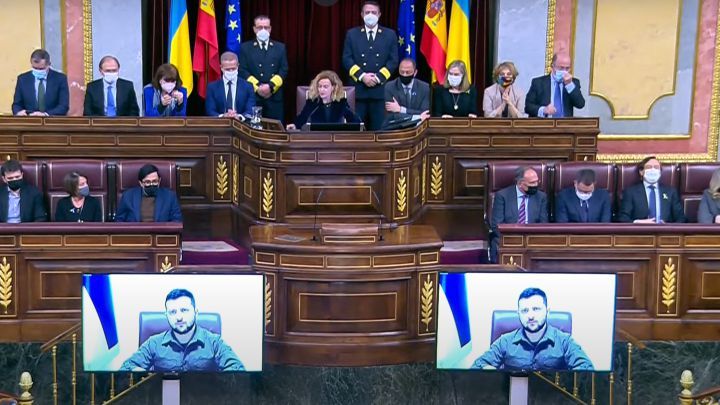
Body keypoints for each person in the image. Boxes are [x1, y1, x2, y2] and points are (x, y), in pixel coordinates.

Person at [120, 289, 244, 372]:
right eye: (173, 312)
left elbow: (238, 369)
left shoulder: (214, 342)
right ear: (166, 315)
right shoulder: (154, 343)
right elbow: (126, 368)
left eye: (184, 310)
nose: (179, 317)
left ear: (196, 312)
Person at [471, 288, 593, 371]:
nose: (530, 316)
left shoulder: (564, 341)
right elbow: (477, 367)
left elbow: (587, 369)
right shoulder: (505, 341)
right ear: (518, 313)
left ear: (547, 311)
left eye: (536, 309)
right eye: (525, 311)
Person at [342, 1, 399, 131]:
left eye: (374, 12)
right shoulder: (352, 34)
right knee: (355, 131)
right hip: (358, 91)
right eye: (367, 12)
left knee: (379, 132)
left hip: (380, 92)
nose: (370, 15)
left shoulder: (390, 34)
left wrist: (378, 78)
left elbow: (393, 60)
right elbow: (346, 59)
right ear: (362, 15)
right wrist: (362, 76)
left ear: (379, 14)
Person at [489, 166, 548, 263]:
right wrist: (515, 239)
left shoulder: (541, 197)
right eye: (532, 183)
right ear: (520, 183)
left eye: (537, 181)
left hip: (532, 239)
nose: (536, 185)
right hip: (508, 238)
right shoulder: (502, 196)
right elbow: (496, 225)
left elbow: (543, 224)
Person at [239, 15, 289, 122]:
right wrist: (258, 87)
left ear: (270, 29)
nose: (263, 30)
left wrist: (270, 86)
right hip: (254, 97)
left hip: (274, 97)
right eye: (259, 27)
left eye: (266, 27)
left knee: (274, 129)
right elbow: (242, 70)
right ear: (254, 29)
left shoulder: (280, 47)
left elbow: (284, 69)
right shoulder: (245, 48)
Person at [618, 156, 686, 223]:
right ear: (641, 172)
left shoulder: (671, 192)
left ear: (660, 172)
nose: (653, 170)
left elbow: (681, 218)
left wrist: (668, 227)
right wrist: (639, 222)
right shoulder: (630, 192)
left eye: (656, 167)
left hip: (665, 229)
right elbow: (622, 217)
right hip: (640, 229)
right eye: (649, 167)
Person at [287, 71, 360, 130]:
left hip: (335, 139)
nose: (322, 89)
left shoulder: (340, 103)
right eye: (320, 86)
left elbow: (356, 122)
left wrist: (358, 125)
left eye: (325, 87)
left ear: (333, 87)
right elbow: (303, 117)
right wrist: (295, 125)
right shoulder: (313, 102)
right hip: (317, 138)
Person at [115, 164, 182, 222]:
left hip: (161, 232)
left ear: (159, 181)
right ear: (141, 183)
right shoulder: (128, 196)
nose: (151, 184)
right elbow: (119, 220)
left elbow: (177, 221)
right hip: (135, 232)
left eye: (155, 181)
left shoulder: (170, 196)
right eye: (147, 182)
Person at [525, 53, 585, 118]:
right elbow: (528, 107)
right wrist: (544, 110)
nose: (564, 71)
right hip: (545, 123)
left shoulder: (574, 83)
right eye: (561, 68)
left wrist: (569, 85)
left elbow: (580, 104)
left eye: (567, 68)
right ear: (552, 66)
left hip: (565, 123)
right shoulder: (538, 83)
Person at [12, 49, 69, 116]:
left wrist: (45, 114)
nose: (38, 71)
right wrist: (18, 112)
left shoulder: (60, 79)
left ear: (49, 64)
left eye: (41, 69)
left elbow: (63, 106)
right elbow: (16, 104)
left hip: (52, 120)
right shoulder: (23, 79)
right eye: (35, 68)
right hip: (29, 119)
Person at [206, 52, 255, 118]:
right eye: (227, 69)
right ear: (221, 68)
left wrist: (239, 117)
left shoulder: (248, 86)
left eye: (233, 68)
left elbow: (250, 110)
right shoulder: (212, 87)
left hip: (241, 123)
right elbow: (210, 111)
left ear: (238, 66)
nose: (231, 71)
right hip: (220, 123)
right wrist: (223, 116)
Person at [383, 58, 430, 127]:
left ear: (415, 72)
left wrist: (401, 109)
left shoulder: (425, 87)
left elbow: (425, 113)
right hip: (397, 128)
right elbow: (392, 116)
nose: (404, 75)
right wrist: (418, 117)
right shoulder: (390, 86)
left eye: (408, 72)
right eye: (402, 72)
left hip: (419, 128)